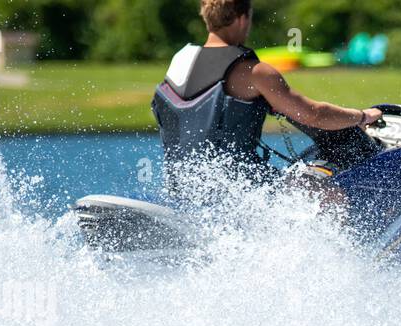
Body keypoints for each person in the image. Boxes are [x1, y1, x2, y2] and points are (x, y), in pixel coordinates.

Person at [152, 0, 382, 187]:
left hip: (184, 189)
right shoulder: (254, 72)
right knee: (321, 182)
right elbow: (314, 115)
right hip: (241, 193)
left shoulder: (179, 61)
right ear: (243, 18)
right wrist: (362, 116)